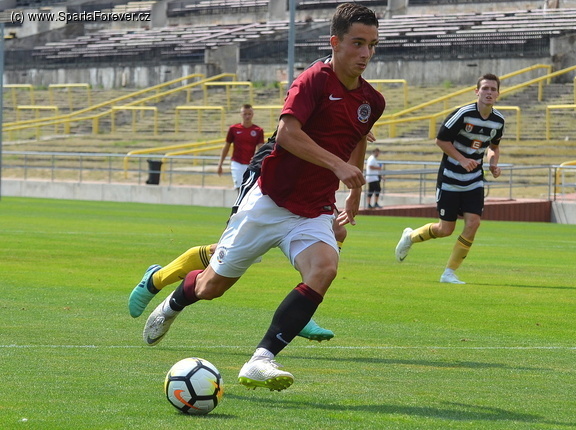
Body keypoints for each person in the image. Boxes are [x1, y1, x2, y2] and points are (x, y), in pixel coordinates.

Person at [142, 3, 385, 392]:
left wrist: (354, 191)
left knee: (324, 268)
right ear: (335, 42)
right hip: (270, 198)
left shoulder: (372, 100)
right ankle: (173, 304)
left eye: (372, 45)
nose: (366, 53)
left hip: (313, 208)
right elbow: (287, 134)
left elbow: (358, 137)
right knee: (211, 287)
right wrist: (338, 166)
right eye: (358, 43)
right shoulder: (313, 81)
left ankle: (261, 359)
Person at [128, 137, 340, 342]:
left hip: (311, 183)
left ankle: (301, 312)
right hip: (271, 172)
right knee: (221, 253)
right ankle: (157, 279)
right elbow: (289, 131)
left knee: (337, 232)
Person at [394, 73, 504, 284]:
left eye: (493, 89)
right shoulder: (463, 114)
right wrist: (462, 160)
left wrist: (493, 163)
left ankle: (449, 273)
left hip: (474, 180)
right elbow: (441, 140)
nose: (489, 92)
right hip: (450, 178)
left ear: (498, 93)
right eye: (485, 88)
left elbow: (494, 146)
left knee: (473, 223)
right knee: (445, 229)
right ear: (477, 91)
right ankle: (410, 236)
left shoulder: (498, 120)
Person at [217, 104, 264, 191]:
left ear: (252, 115)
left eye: (249, 114)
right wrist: (220, 164)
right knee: (239, 188)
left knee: (249, 188)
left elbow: (260, 149)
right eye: (245, 114)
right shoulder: (233, 129)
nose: (247, 116)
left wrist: (260, 164)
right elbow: (226, 146)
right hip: (237, 163)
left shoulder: (258, 130)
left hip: (251, 164)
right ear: (241, 114)